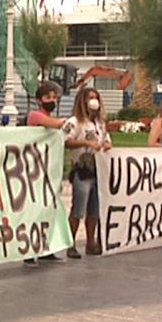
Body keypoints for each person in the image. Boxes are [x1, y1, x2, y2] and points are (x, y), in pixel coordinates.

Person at [61, 87, 112, 257]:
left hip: (98, 171)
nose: (94, 100)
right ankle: (70, 243)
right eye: (91, 97)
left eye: (96, 97)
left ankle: (91, 242)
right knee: (78, 209)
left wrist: (106, 146)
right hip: (82, 171)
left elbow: (106, 140)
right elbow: (65, 141)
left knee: (94, 210)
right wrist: (86, 144)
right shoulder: (74, 122)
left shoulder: (100, 124)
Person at [25, 81, 68, 263]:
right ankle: (29, 250)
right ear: (39, 100)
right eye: (48, 97)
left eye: (54, 98)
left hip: (49, 171)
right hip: (34, 171)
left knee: (48, 209)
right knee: (33, 210)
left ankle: (45, 246)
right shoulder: (35, 116)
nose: (52, 101)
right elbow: (54, 123)